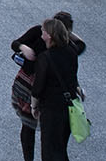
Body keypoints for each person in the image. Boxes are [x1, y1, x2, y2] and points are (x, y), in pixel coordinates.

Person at [12, 11, 85, 161]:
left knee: (49, 139)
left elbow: (78, 49)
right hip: (31, 86)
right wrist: (24, 48)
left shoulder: (64, 47)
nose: (42, 33)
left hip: (43, 92)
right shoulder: (60, 45)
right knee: (29, 126)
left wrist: (34, 105)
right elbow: (15, 44)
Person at [29, 17, 80, 161]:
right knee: (61, 148)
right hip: (68, 107)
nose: (41, 33)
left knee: (50, 150)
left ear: (49, 36)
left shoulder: (45, 58)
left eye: (43, 31)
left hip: (51, 109)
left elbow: (38, 86)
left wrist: (34, 106)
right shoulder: (72, 51)